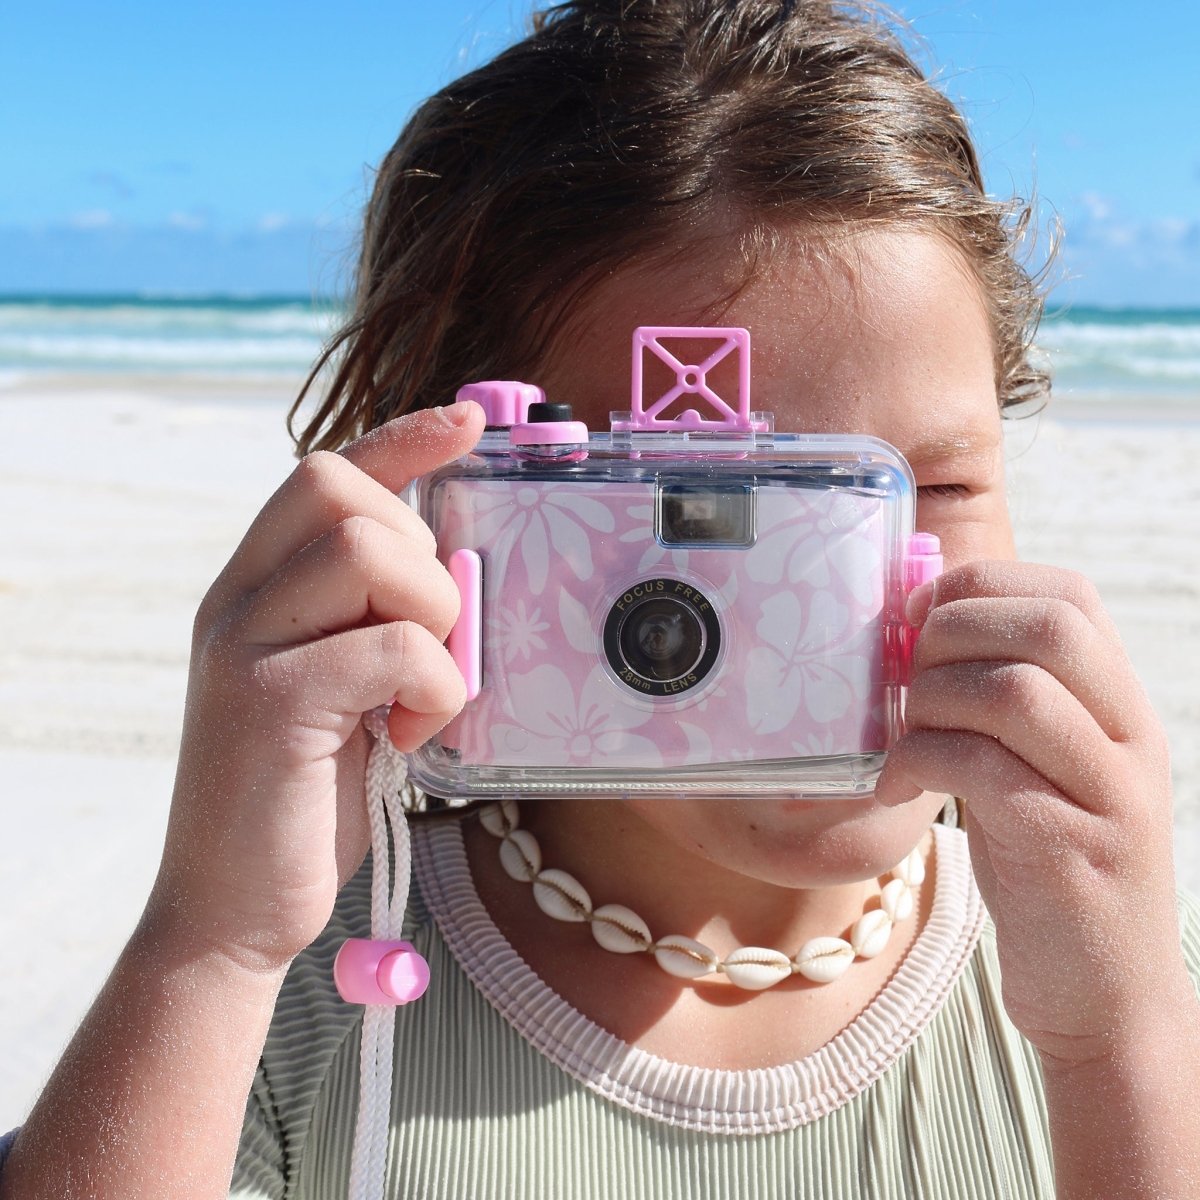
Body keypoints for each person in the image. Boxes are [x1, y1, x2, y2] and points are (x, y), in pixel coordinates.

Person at [3, 2, 1199, 1197]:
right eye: (700, 504)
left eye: (919, 488)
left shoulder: (1119, 977)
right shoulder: (306, 985)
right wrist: (211, 942)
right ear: (463, 516)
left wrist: (1119, 1041)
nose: (821, 606)